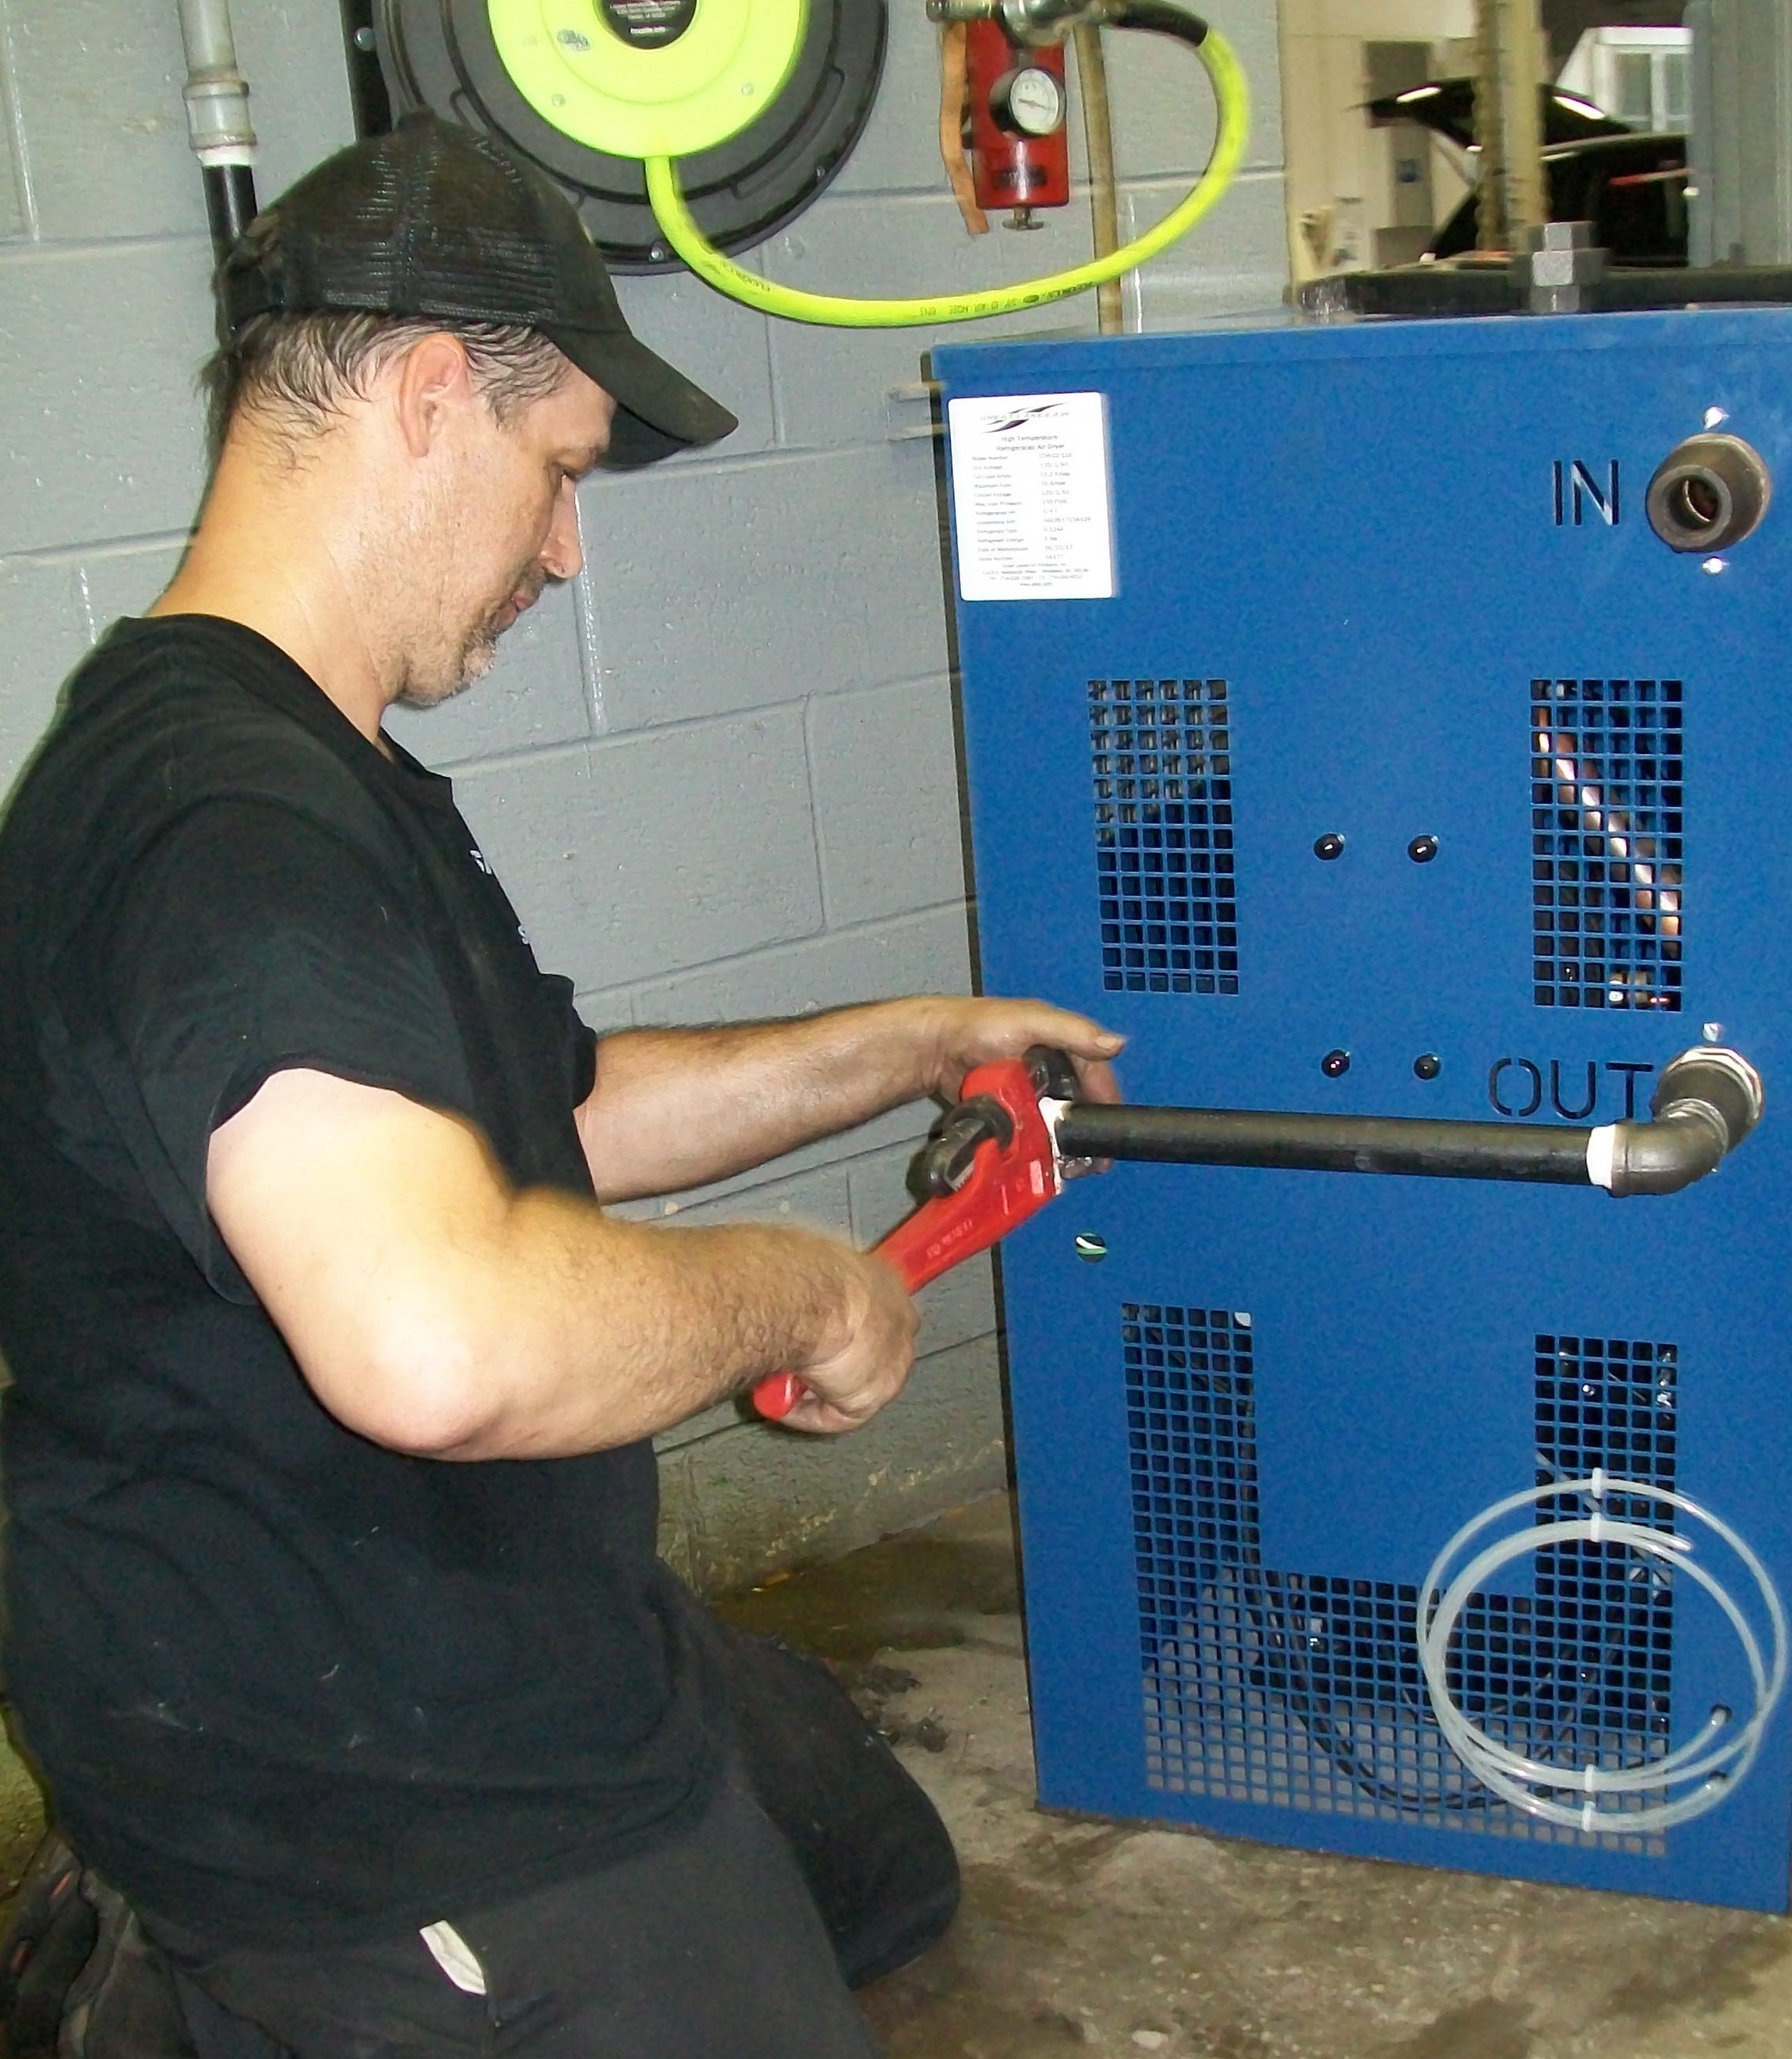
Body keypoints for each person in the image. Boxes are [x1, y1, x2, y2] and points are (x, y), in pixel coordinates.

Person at [0, 114, 1121, 2057]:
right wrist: (804, 1285)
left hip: (396, 1636)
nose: (567, 546)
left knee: (875, 1861)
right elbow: (437, 1341)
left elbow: (554, 1112)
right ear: (434, 391)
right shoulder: (228, 823)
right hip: (376, 1783)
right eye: (562, 473)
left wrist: (900, 1049)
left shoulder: (296, 765)